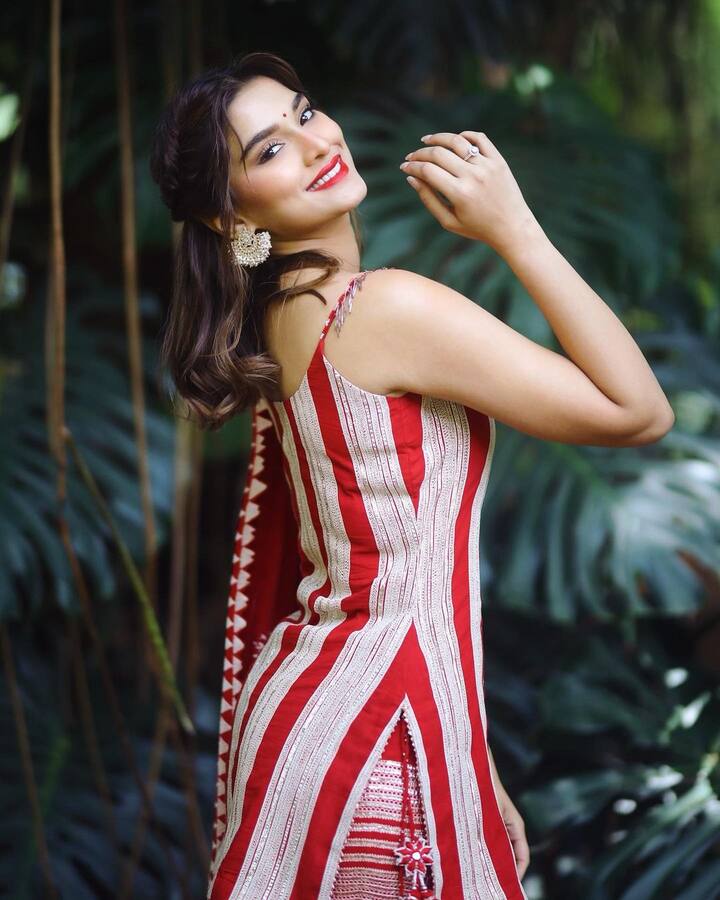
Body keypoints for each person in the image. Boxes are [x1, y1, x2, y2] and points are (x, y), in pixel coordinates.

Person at [149, 50, 674, 900]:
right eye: (270, 150)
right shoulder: (380, 308)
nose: (317, 141)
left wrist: (469, 760)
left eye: (306, 111)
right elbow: (638, 412)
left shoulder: (282, 311)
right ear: (225, 215)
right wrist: (515, 229)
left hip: (353, 721)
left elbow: (382, 572)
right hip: (373, 749)